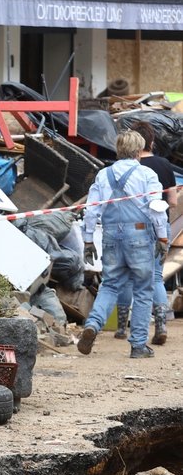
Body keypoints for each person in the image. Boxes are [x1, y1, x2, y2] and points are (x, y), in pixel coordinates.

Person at [78, 129, 168, 359]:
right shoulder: (147, 174)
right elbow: (157, 209)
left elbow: (90, 211)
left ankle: (93, 325)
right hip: (139, 236)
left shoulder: (103, 175)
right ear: (139, 151)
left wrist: (88, 241)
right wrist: (163, 238)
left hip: (110, 236)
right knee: (143, 288)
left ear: (119, 150)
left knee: (109, 285)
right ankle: (138, 345)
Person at [111, 124, 177, 344]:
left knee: (128, 277)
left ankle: (122, 328)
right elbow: (173, 202)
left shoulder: (119, 168)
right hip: (159, 227)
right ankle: (160, 325)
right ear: (150, 141)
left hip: (130, 228)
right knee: (156, 277)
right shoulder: (164, 165)